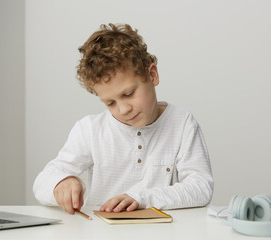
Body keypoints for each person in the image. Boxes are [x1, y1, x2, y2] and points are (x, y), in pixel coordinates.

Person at [33, 23, 213, 215]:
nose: (124, 109)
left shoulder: (182, 123)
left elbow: (201, 188)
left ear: (152, 75)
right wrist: (62, 182)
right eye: (110, 103)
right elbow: (42, 183)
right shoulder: (90, 130)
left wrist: (142, 198)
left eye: (128, 94)